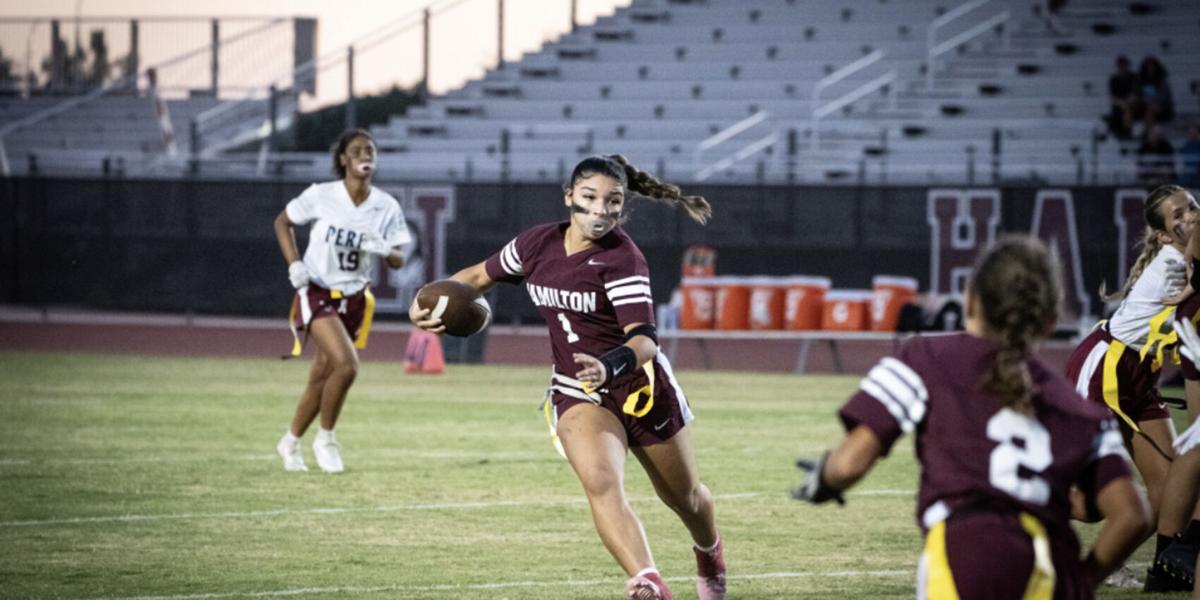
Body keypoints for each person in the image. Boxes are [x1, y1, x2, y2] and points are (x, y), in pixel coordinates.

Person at [409, 155, 723, 600]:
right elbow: (477, 277)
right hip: (577, 391)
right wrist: (426, 303)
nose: (600, 210)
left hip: (639, 387)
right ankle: (647, 580)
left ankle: (709, 551)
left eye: (613, 202)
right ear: (569, 196)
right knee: (601, 482)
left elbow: (646, 341)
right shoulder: (538, 244)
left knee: (684, 498)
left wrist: (610, 364)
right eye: (590, 198)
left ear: (622, 207)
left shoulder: (623, 259)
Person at [793, 235, 1150, 598]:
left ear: (971, 299)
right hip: (1049, 570)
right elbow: (1134, 515)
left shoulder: (926, 357)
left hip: (965, 558)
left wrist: (824, 480)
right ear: (1049, 321)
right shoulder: (1076, 406)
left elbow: (850, 464)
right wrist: (1083, 581)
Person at [1065, 184, 1196, 590]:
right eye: (1178, 214)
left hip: (1139, 372)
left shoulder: (1185, 255)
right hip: (1106, 368)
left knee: (1171, 487)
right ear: (1163, 235)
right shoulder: (1176, 261)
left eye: (1192, 206)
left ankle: (1126, 563)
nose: (1190, 215)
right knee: (1089, 506)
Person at [272, 129, 409, 473]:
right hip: (317, 290)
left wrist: (384, 249)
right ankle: (326, 438)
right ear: (344, 159)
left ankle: (289, 442)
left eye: (370, 150)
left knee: (322, 376)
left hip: (355, 298)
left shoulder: (385, 205)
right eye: (357, 150)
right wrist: (294, 264)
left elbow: (400, 259)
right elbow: (283, 222)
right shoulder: (323, 195)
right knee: (347, 366)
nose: (365, 155)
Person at [1137, 56, 1175, 130]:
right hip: (1147, 104)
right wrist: (1146, 101)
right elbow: (1139, 95)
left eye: (1152, 67)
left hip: (1162, 105)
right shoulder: (1141, 80)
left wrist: (1155, 102)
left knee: (1150, 110)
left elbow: (1163, 96)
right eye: (1148, 67)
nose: (1150, 69)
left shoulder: (1162, 80)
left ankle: (1148, 132)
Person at [1107, 55, 1138, 140]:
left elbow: (1135, 93)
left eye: (1123, 65)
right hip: (1119, 105)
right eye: (1120, 65)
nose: (1122, 67)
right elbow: (1112, 97)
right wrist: (1121, 103)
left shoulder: (1134, 77)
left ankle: (1127, 132)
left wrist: (1128, 102)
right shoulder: (1113, 79)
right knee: (1121, 110)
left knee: (1127, 109)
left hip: (1133, 105)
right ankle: (1120, 132)